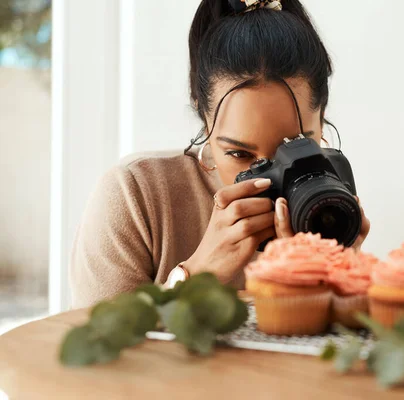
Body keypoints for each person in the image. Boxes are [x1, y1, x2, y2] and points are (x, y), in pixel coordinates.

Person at [69, 0, 370, 308]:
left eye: (295, 144)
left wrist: (341, 281)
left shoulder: (326, 199)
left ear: (322, 119)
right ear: (204, 117)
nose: (272, 176)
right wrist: (196, 274)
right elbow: (96, 346)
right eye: (239, 154)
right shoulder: (134, 196)